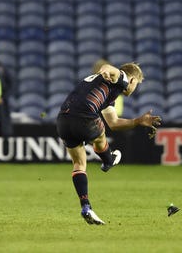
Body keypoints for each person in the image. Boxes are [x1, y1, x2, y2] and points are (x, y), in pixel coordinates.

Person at [56, 62, 161, 225]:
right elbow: (108, 68)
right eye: (137, 85)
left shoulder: (108, 94)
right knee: (100, 133)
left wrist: (138, 121)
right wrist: (105, 71)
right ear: (133, 80)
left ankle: (86, 206)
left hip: (63, 119)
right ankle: (108, 160)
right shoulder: (122, 79)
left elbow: (114, 122)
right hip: (85, 116)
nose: (134, 90)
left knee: (79, 163)